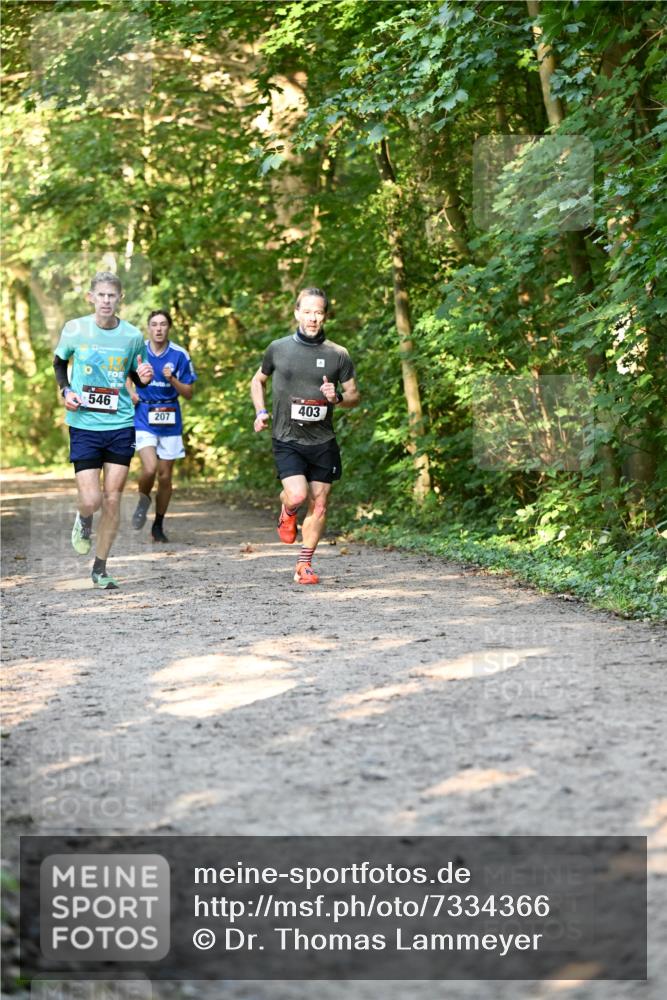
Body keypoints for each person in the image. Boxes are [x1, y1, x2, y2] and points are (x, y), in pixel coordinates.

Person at [251, 287, 360, 584]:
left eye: (318, 313)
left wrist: (336, 398)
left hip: (323, 441)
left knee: (320, 502)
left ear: (325, 316)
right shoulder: (278, 348)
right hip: (287, 437)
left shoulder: (338, 354)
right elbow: (258, 381)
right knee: (298, 495)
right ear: (297, 313)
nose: (313, 318)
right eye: (308, 312)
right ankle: (287, 510)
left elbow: (354, 395)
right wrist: (261, 412)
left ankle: (304, 564)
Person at [53, 271, 154, 590]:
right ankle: (83, 519)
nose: (106, 301)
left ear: (120, 298)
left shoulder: (132, 335)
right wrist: (66, 391)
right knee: (92, 500)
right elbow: (59, 363)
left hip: (120, 424)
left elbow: (136, 377)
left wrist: (145, 378)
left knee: (112, 499)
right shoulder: (75, 329)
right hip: (84, 425)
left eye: (112, 295)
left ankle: (100, 568)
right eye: (101, 295)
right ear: (91, 297)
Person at [128, 309, 197, 542]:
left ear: (169, 328)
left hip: (170, 417)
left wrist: (172, 379)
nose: (158, 329)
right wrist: (131, 394)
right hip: (143, 415)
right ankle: (143, 500)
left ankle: (158, 524)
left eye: (163, 324)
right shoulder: (139, 351)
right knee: (149, 469)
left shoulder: (179, 354)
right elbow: (125, 378)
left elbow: (189, 393)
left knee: (165, 477)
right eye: (154, 324)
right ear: (148, 328)